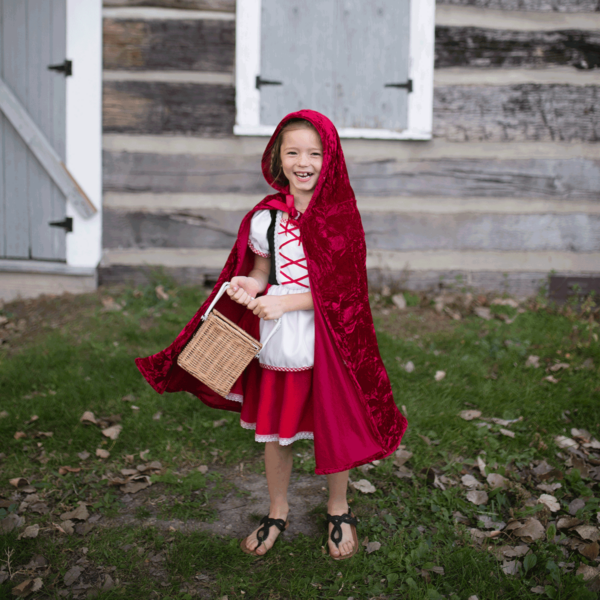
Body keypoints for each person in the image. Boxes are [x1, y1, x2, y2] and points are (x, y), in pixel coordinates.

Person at [135, 110, 407, 560]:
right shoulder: (267, 217)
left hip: (327, 340)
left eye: (315, 153)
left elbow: (345, 290)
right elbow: (262, 268)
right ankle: (278, 509)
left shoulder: (340, 216)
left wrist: (289, 301)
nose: (304, 161)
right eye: (293, 152)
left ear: (331, 159)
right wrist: (252, 285)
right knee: (277, 430)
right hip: (277, 339)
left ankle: (338, 507)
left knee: (330, 423)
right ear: (278, 159)